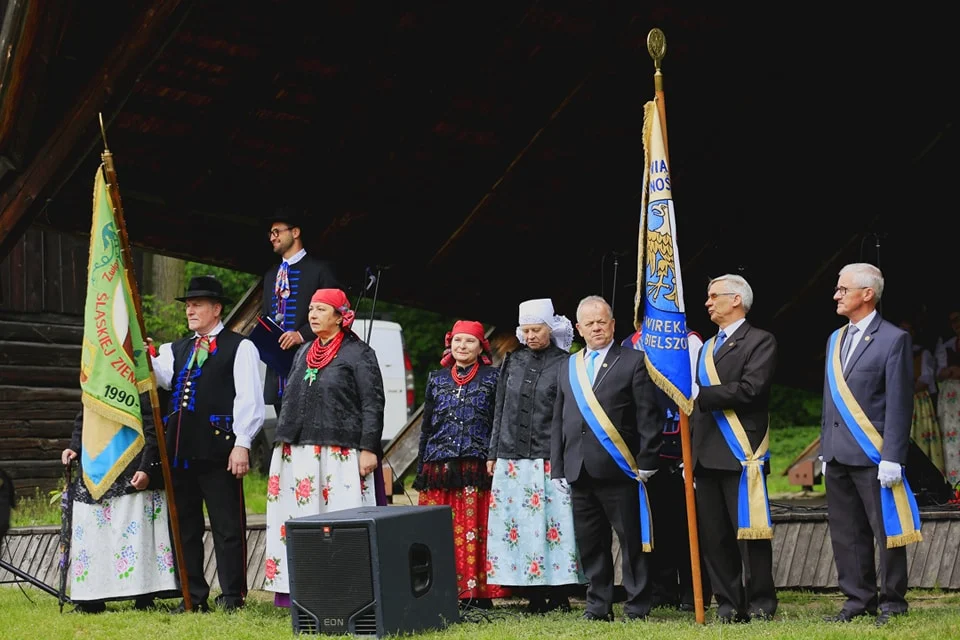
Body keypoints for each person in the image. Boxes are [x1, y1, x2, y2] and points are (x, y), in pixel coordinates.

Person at [150, 275, 265, 612]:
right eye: (188, 305)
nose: (190, 311)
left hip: (219, 451)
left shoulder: (240, 347)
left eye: (197, 305)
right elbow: (161, 379)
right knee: (184, 527)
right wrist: (144, 356)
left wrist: (242, 443)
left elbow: (249, 400)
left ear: (216, 309)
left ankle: (232, 596)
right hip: (181, 452)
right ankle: (193, 597)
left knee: (227, 527)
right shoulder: (176, 349)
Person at [263, 288, 384, 606]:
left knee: (339, 519)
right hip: (299, 449)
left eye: (321, 309)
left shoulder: (359, 353)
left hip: (338, 452)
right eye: (311, 309)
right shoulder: (304, 350)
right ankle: (301, 588)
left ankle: (345, 587)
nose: (313, 315)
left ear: (340, 317)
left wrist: (369, 447)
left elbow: (372, 402)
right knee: (300, 517)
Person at [550, 295, 661, 622]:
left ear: (613, 325)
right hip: (578, 469)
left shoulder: (633, 361)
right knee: (590, 543)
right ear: (579, 328)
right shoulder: (568, 366)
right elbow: (559, 420)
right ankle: (598, 605)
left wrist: (647, 461)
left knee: (632, 543)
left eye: (602, 322)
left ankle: (637, 606)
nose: (596, 328)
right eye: (590, 323)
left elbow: (648, 416)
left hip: (620, 469)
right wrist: (558, 468)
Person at [820, 262, 920, 626]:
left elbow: (899, 403)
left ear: (867, 293)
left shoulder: (894, 339)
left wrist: (893, 456)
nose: (836, 295)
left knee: (886, 531)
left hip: (873, 454)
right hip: (837, 453)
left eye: (843, 289)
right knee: (846, 533)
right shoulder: (835, 339)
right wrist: (825, 448)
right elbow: (830, 400)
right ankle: (857, 600)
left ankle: (892, 602)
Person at [485, 298, 584, 614]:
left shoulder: (566, 362)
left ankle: (560, 593)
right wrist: (493, 452)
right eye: (525, 331)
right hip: (512, 456)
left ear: (549, 329)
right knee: (521, 525)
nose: (530, 336)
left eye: (536, 330)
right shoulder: (512, 361)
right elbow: (500, 408)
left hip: (549, 457)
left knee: (554, 525)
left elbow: (572, 413)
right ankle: (532, 594)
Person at [691, 274, 778, 623]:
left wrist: (702, 394)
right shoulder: (708, 347)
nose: (708, 302)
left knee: (750, 535)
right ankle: (728, 605)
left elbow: (751, 389)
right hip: (705, 452)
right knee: (715, 537)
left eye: (714, 296)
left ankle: (760, 603)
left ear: (736, 299)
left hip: (740, 451)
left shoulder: (760, 341)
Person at [414, 320, 508, 608]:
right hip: (438, 467)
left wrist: (495, 456)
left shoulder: (493, 378)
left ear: (481, 347)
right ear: (450, 344)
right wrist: (421, 468)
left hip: (476, 466)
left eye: (469, 341)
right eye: (457, 340)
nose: (462, 346)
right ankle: (438, 591)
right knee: (440, 530)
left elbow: (499, 422)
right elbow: (427, 426)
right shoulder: (437, 379)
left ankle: (477, 594)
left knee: (475, 530)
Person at [622, 324, 712, 613]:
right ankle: (662, 589)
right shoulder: (629, 344)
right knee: (655, 524)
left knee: (687, 524)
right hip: (645, 448)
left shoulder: (689, 341)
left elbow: (697, 394)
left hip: (681, 446)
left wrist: (694, 447)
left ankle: (693, 589)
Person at [60, 397, 178, 613]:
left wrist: (146, 467)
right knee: (93, 533)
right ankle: (91, 599)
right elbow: (86, 414)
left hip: (132, 464)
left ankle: (144, 595)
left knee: (136, 533)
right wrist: (75, 446)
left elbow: (151, 424)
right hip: (95, 467)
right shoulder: (93, 379)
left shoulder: (138, 380)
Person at [260, 209, 338, 463]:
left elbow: (335, 313)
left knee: (312, 441)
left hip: (313, 365)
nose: (272, 237)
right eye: (270, 233)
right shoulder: (271, 275)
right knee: (286, 440)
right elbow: (268, 315)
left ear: (295, 232)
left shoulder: (320, 269)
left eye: (277, 231)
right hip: (278, 372)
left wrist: (301, 335)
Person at [900, 318, 945, 478]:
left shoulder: (921, 353)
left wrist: (906, 390)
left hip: (918, 401)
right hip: (902, 401)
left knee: (921, 438)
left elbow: (926, 378)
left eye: (907, 330)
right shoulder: (895, 352)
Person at [934, 309, 960, 487]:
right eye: (953, 321)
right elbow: (939, 372)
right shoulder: (947, 345)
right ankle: (956, 485)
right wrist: (948, 372)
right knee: (953, 440)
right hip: (952, 401)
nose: (956, 324)